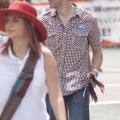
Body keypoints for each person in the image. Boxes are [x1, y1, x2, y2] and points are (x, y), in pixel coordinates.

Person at [0, 1, 66, 120]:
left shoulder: (45, 56)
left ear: (29, 25)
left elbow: (56, 96)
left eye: (15, 20)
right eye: (7, 20)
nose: (9, 24)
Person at [41, 0, 103, 120]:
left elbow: (98, 52)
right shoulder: (43, 21)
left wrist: (94, 73)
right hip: (53, 87)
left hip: (80, 86)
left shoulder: (88, 19)